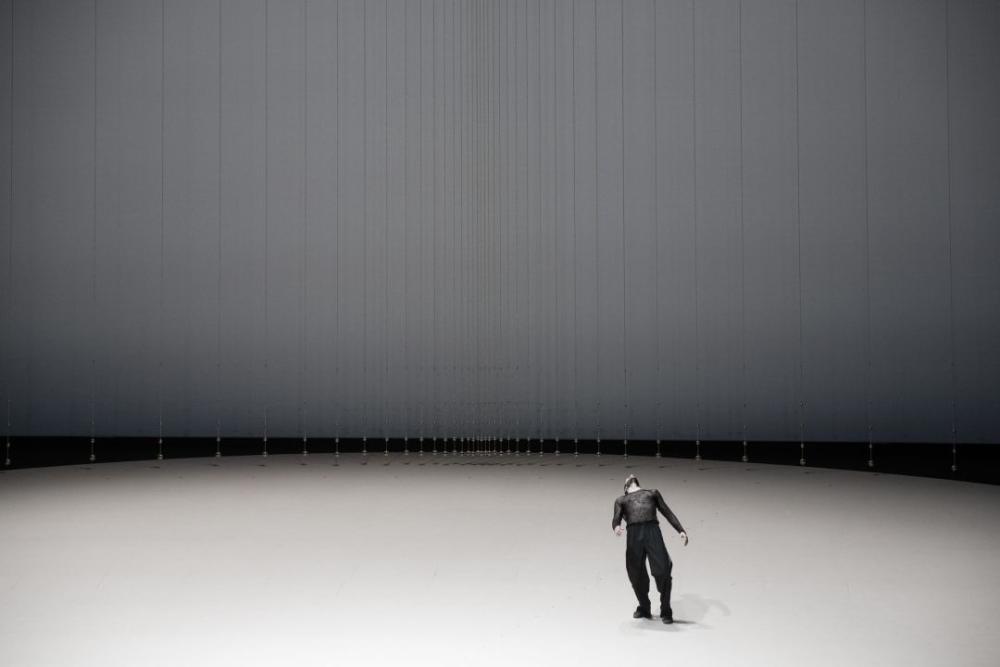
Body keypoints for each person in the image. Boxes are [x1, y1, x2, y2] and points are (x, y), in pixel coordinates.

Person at [612, 473, 688, 623]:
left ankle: (666, 610)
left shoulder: (652, 493)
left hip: (652, 532)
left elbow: (667, 512)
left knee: (663, 570)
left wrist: (680, 530)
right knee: (636, 574)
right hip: (634, 536)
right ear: (625, 488)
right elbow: (616, 518)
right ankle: (644, 607)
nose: (630, 474)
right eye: (627, 477)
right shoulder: (621, 500)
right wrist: (616, 527)